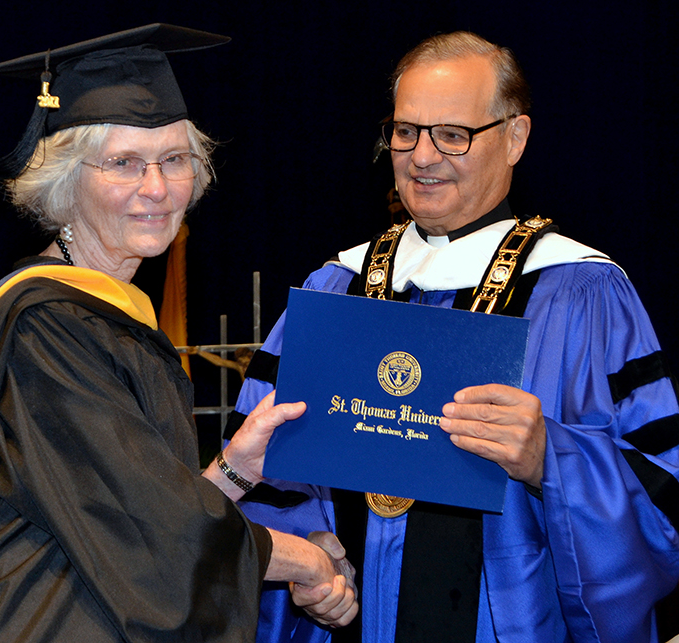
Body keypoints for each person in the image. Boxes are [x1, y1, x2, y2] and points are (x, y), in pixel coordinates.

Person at [0, 24, 358, 642]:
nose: (157, 187)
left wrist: (233, 469)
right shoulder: (46, 329)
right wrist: (305, 560)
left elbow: (121, 518)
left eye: (174, 159)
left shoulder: (104, 316)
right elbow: (147, 528)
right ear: (65, 183)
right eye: (123, 163)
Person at [228, 31, 679, 642]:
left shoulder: (580, 294)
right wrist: (307, 550)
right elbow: (261, 463)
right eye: (405, 131)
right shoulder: (337, 287)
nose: (422, 156)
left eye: (453, 135)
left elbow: (664, 493)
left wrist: (552, 456)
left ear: (515, 137)